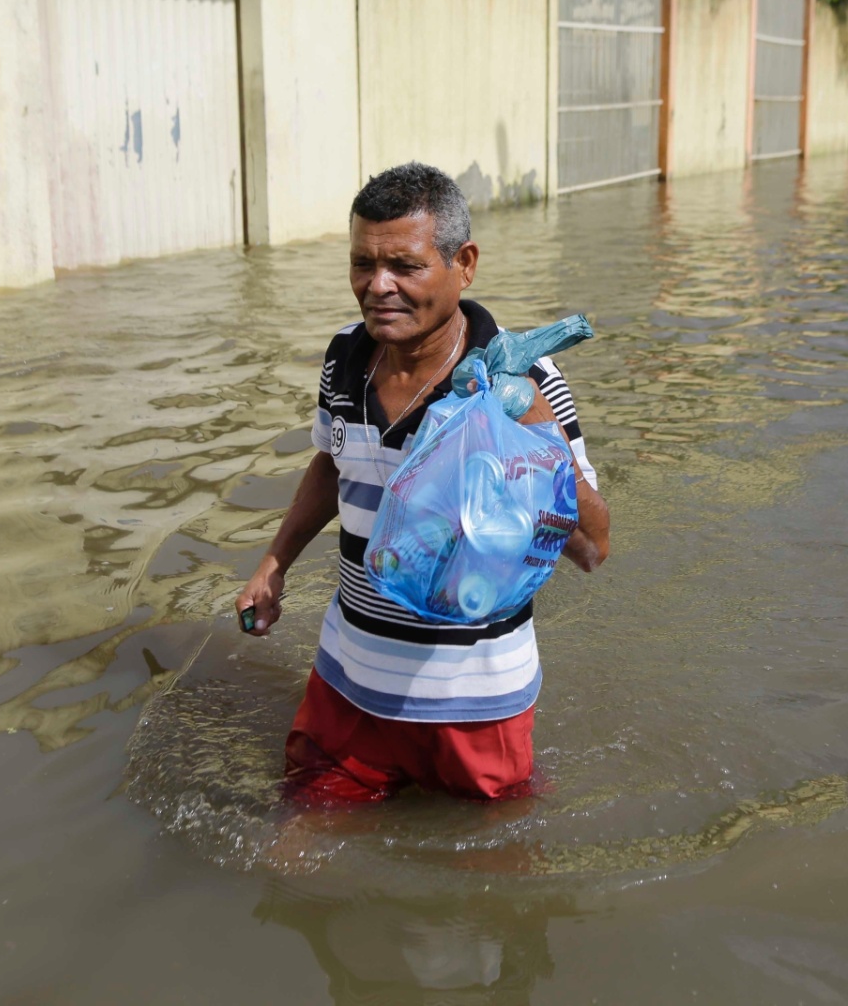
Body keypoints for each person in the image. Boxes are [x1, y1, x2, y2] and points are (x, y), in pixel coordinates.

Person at [234, 163, 612, 802]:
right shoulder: (344, 357)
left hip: (476, 703)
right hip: (348, 680)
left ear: (463, 264)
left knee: (495, 881)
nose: (378, 287)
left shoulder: (530, 379)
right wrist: (273, 565)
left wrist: (529, 423)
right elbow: (332, 462)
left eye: (405, 267)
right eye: (362, 264)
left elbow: (593, 547)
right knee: (294, 859)